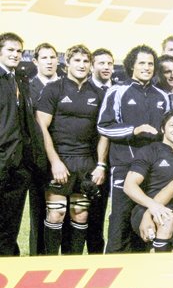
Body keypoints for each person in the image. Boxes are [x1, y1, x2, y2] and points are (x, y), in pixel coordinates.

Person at [36, 44, 108, 255]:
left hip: (85, 162)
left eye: (86, 61)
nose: (82, 65)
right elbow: (41, 127)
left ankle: (72, 265)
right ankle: (50, 263)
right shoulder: (53, 89)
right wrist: (55, 162)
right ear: (66, 63)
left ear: (91, 65)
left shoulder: (98, 93)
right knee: (56, 214)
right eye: (77, 60)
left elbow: (104, 133)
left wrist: (101, 165)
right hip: (60, 161)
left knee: (80, 214)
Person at [97, 44, 169, 253]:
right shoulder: (117, 92)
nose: (147, 67)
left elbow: (168, 129)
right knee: (120, 222)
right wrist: (133, 130)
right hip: (124, 167)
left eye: (150, 63)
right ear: (132, 66)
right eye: (142, 63)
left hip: (153, 170)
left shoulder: (162, 96)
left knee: (145, 222)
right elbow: (103, 126)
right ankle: (113, 272)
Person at [0, 32, 45, 256]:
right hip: (2, 162)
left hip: (19, 166)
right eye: (10, 50)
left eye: (18, 51)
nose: (15, 54)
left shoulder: (20, 79)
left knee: (11, 226)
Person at [124, 111, 173, 252]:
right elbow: (129, 186)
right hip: (148, 212)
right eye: (172, 125)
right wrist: (153, 208)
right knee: (167, 221)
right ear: (163, 129)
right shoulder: (150, 151)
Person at [28, 42, 59, 256]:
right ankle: (38, 259)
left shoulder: (66, 85)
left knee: (65, 213)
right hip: (37, 161)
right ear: (35, 61)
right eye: (44, 58)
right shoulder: (27, 87)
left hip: (65, 158)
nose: (49, 61)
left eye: (52, 57)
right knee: (38, 213)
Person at [86, 47, 115, 254]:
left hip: (119, 161)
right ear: (92, 65)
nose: (106, 67)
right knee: (94, 214)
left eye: (110, 63)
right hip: (93, 161)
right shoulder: (84, 89)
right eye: (101, 63)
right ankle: (95, 256)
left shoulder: (119, 89)